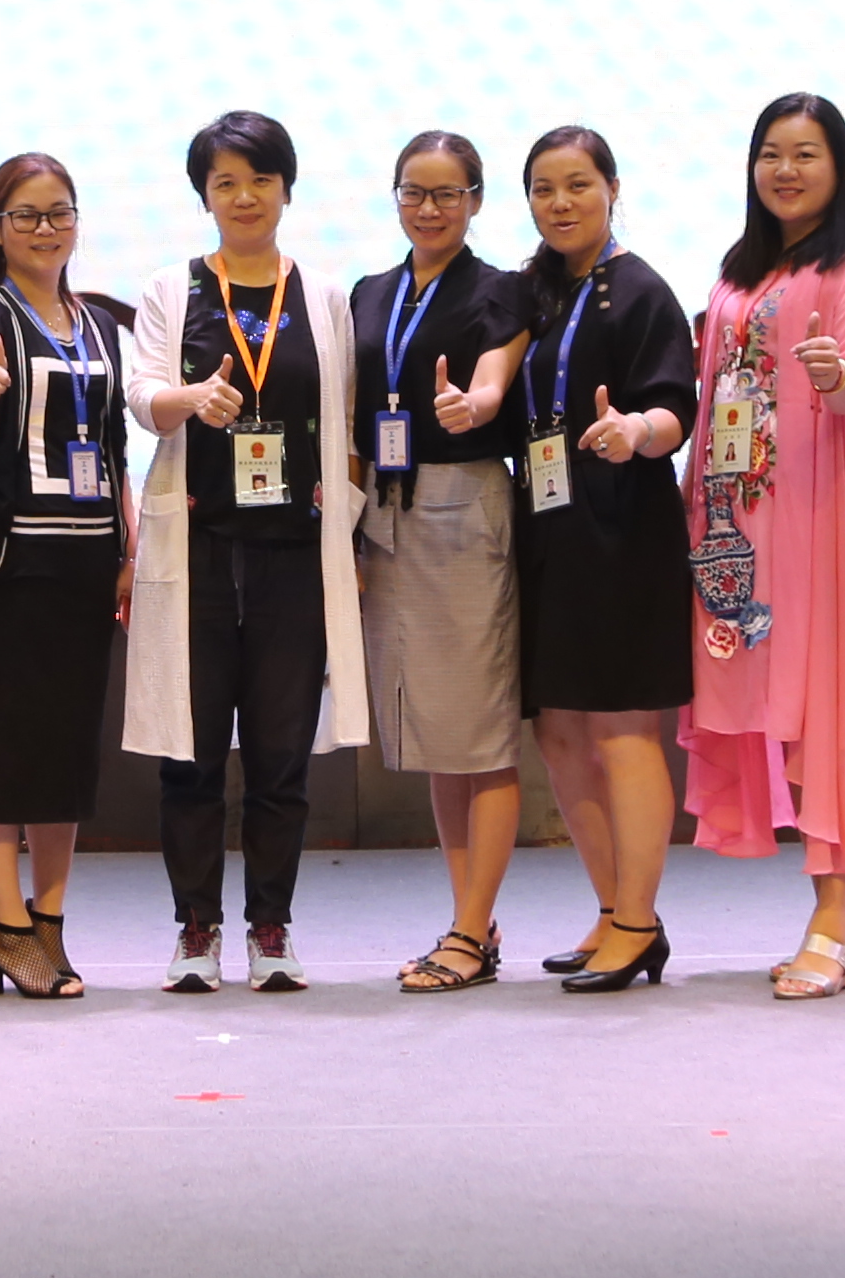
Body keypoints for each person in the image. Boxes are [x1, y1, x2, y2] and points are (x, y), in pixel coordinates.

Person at [123, 109, 370, 992]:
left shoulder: (324, 296)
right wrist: (191, 399)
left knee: (279, 756)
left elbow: (345, 421)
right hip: (198, 551)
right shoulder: (172, 288)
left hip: (293, 558)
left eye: (260, 179)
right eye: (224, 182)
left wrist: (347, 532)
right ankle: (196, 929)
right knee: (188, 755)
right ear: (204, 197)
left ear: (286, 189)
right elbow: (143, 396)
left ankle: (271, 925)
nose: (244, 196)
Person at [686, 93, 845, 1001]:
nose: (785, 171)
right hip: (737, 533)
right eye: (771, 154)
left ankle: (834, 913)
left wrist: (837, 374)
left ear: (840, 167)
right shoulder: (741, 270)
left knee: (829, 712)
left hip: (819, 529)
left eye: (806, 154)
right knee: (770, 713)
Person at [0, 151, 126, 999]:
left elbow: (113, 446)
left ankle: (48, 923)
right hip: (11, 563)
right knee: (5, 745)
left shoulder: (100, 325)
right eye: (26, 215)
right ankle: (7, 925)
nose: (45, 229)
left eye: (59, 213)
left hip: (88, 559)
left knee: (67, 748)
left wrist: (127, 549)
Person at [506, 124, 694, 995]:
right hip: (548, 529)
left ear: (612, 189)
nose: (560, 203)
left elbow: (676, 407)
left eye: (578, 184)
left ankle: (638, 921)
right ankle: (615, 907)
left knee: (623, 728)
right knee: (558, 730)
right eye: (543, 189)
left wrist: (637, 431)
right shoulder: (535, 291)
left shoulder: (641, 289)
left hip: (624, 530)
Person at [351, 128, 531, 991]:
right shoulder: (370, 293)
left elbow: (494, 377)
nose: (429, 209)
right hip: (387, 515)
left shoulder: (501, 290)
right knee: (435, 733)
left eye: (448, 194)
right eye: (414, 193)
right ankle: (471, 925)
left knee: (480, 733)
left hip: (464, 509)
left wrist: (477, 402)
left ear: (476, 201)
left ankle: (467, 931)